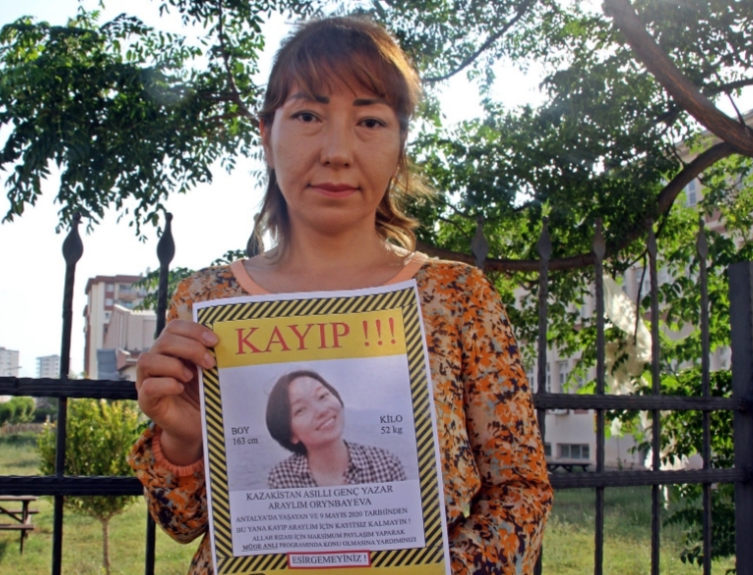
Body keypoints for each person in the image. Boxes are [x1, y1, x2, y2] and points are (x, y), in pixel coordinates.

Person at [129, 16, 552, 575]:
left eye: (370, 121)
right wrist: (182, 438)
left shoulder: (457, 297)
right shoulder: (208, 301)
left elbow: (521, 492)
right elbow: (182, 524)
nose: (337, 151)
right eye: (308, 115)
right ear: (267, 134)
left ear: (399, 145)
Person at [264, 369, 407, 488]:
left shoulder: (386, 464)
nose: (321, 410)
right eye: (300, 410)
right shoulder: (282, 478)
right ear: (290, 433)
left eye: (322, 396)